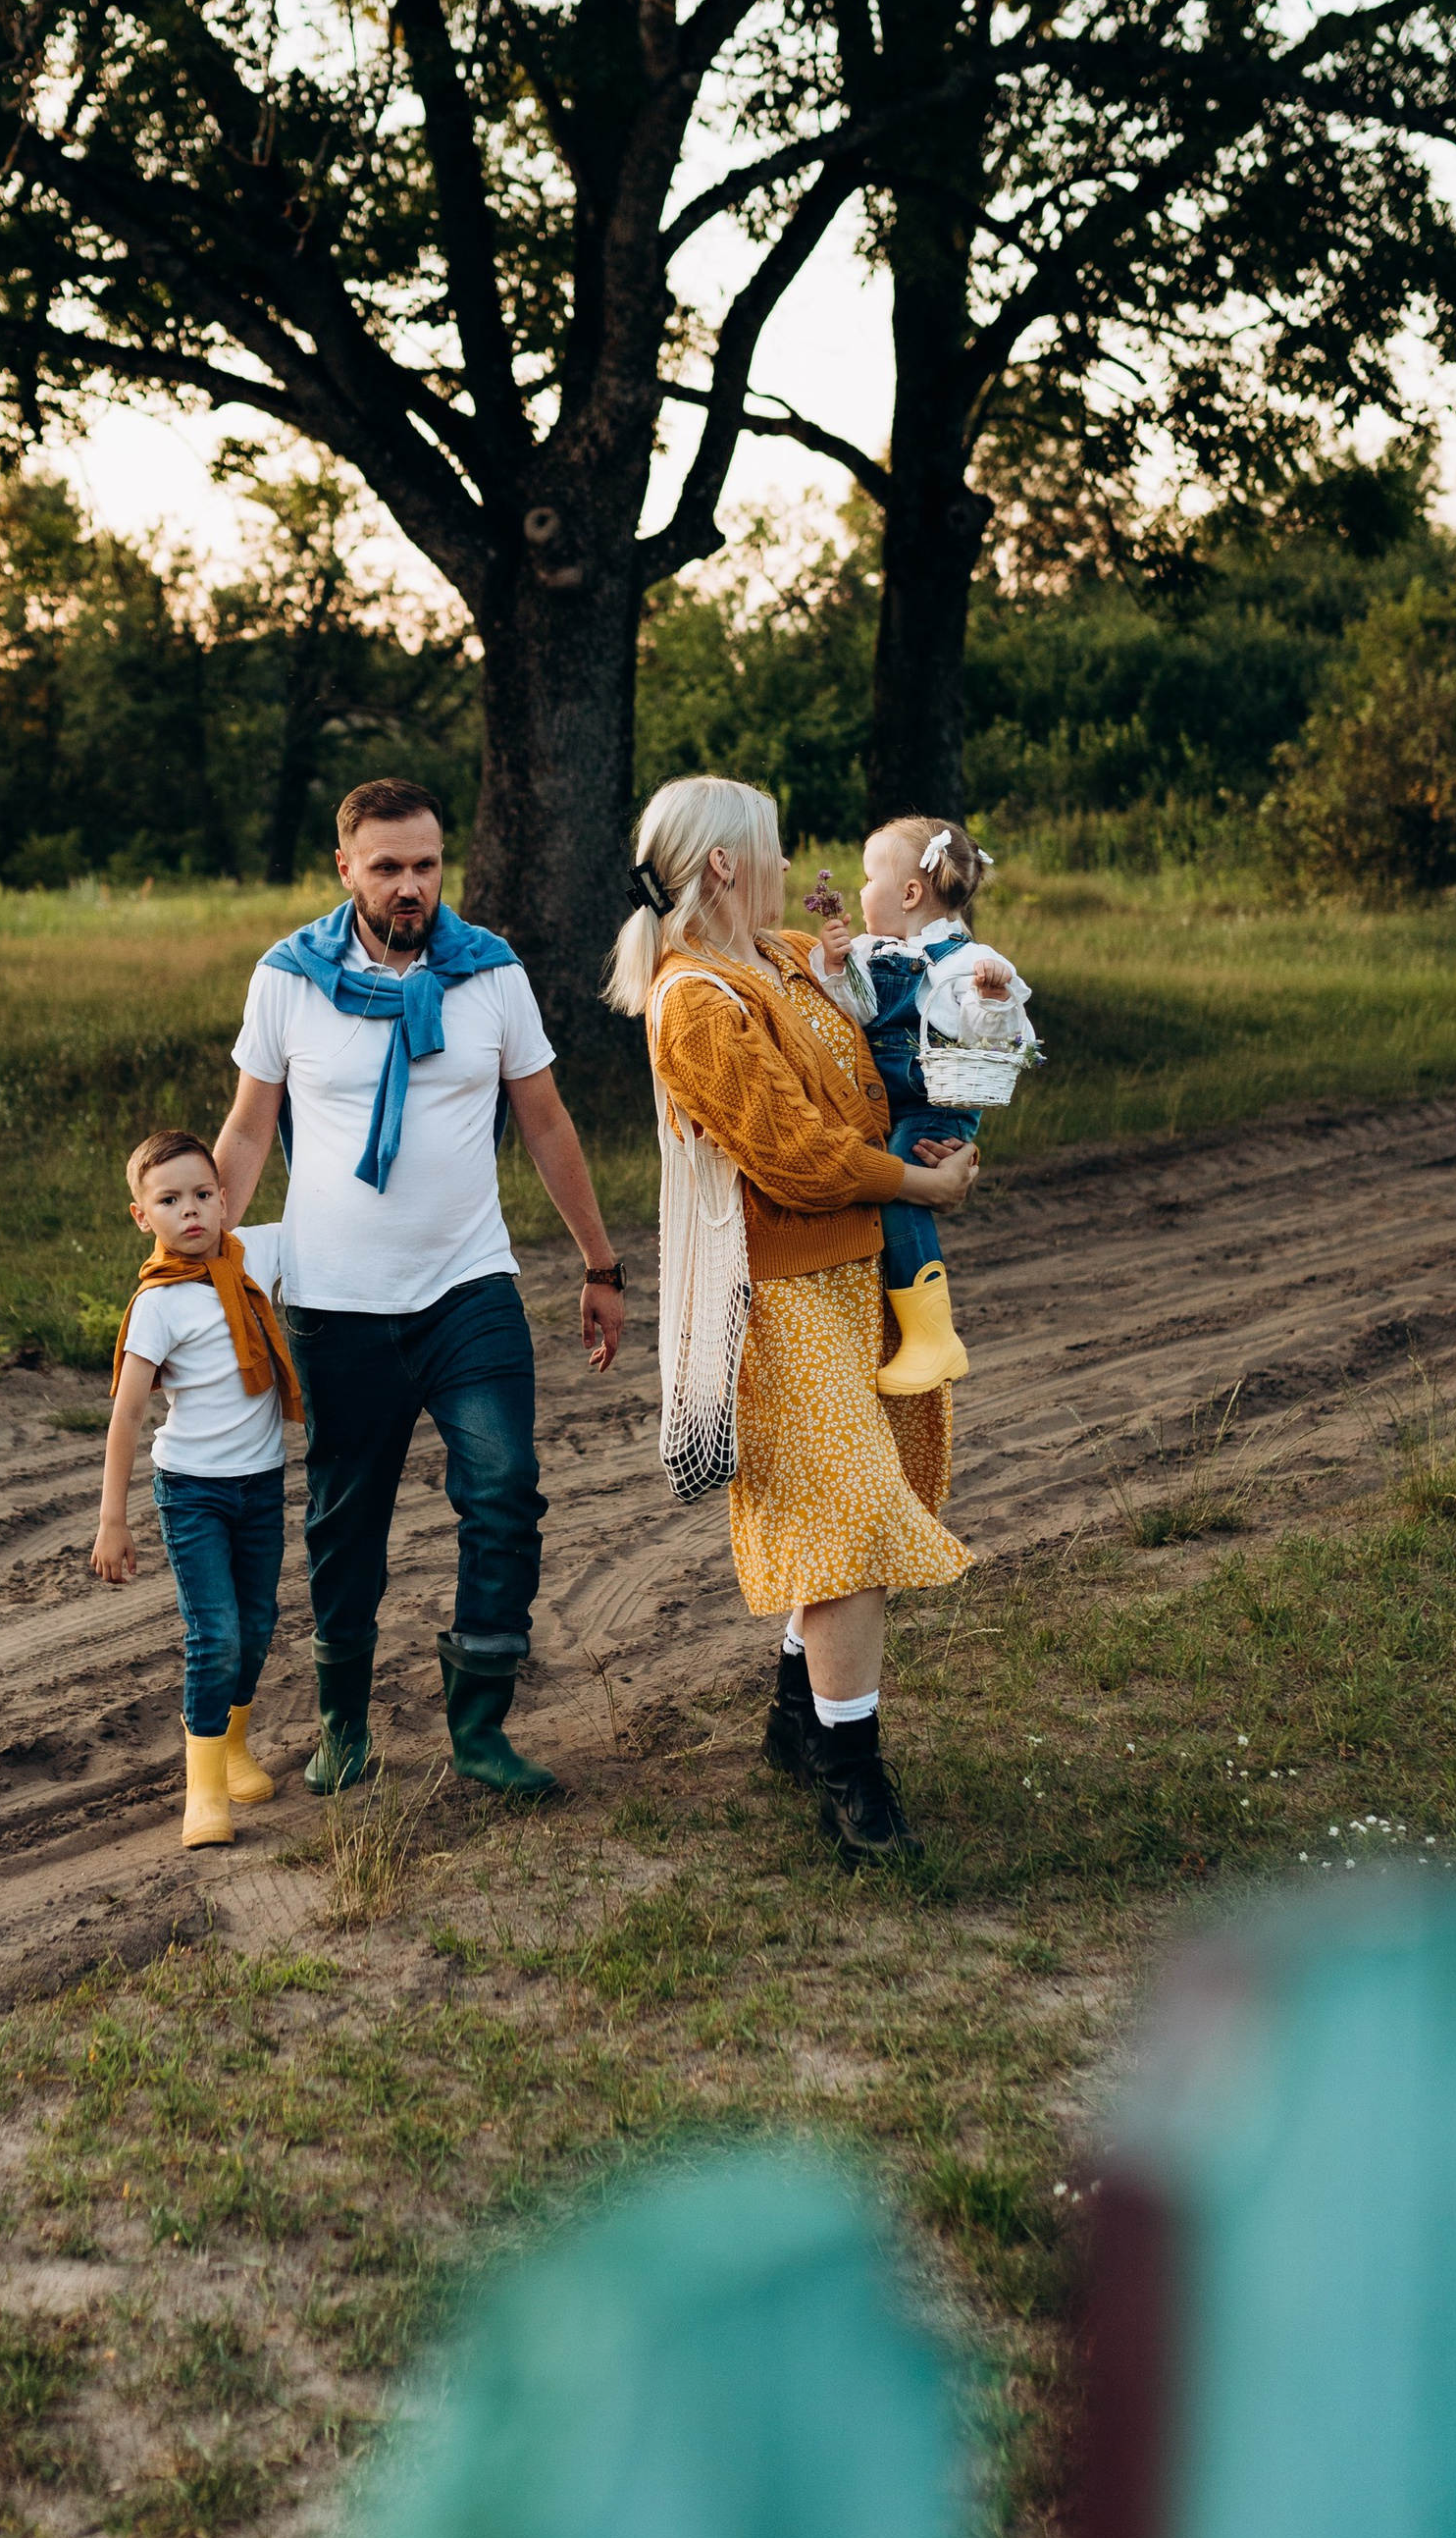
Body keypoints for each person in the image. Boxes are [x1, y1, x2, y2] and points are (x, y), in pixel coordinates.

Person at [210, 779, 627, 1801]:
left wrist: (600, 1262)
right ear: (344, 868)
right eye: (388, 865)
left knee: (503, 1491)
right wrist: (197, 1250)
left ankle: (479, 1728)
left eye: (427, 864)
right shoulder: (288, 979)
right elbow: (251, 1126)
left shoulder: (490, 975)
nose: (410, 885)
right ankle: (342, 1728)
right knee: (344, 1521)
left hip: (466, 1289)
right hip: (334, 1302)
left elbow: (545, 1122)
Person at [606, 774, 975, 1863]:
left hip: (848, 1273)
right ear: (722, 863)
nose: (783, 862)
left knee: (846, 1510)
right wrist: (914, 1188)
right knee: (848, 1521)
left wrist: (938, 1134)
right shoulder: (698, 1001)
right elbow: (796, 1157)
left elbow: (877, 1061)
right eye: (765, 846)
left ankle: (794, 1716)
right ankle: (851, 1774)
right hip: (772, 1295)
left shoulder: (767, 956)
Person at [90, 1127, 302, 1852]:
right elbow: (127, 1416)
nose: (192, 1212)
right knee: (214, 1635)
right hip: (193, 1494)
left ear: (224, 1199)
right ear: (141, 1216)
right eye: (170, 1200)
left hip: (261, 1485)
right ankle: (204, 1788)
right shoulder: (160, 1304)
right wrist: (112, 1519)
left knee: (259, 1625)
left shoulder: (254, 1256)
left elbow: (326, 1212)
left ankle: (235, 1747)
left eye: (204, 1195)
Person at [810, 816, 1024, 1392]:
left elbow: (990, 1035)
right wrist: (835, 966)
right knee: (887, 1187)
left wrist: (992, 996)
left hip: (933, 1107)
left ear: (908, 894)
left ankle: (933, 1336)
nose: (857, 891)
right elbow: (852, 1012)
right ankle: (906, 1325)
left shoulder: (963, 961)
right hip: (884, 1104)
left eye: (867, 877)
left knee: (901, 1187)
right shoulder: (870, 950)